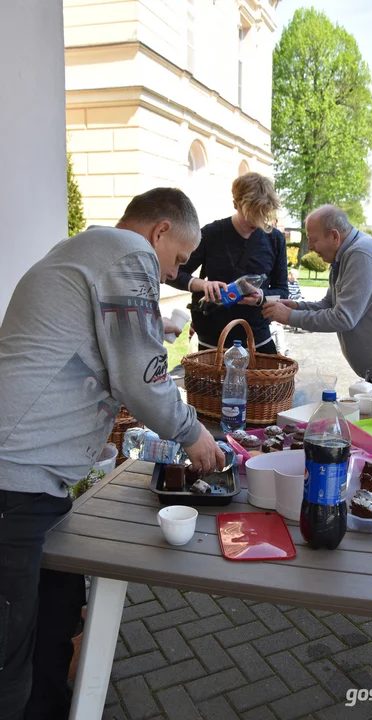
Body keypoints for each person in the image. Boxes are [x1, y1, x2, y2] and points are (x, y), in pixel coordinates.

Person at [0, 187, 224, 720]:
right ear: (159, 232)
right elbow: (141, 379)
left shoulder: (85, 248)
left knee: (55, 617)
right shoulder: (129, 254)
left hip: (34, 481)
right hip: (15, 480)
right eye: (177, 259)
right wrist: (196, 436)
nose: (172, 273)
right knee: (8, 653)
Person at [263, 205, 372, 400]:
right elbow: (330, 304)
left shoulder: (361, 254)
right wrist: (295, 307)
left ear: (334, 236)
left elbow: (343, 317)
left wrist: (289, 317)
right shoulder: (343, 257)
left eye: (313, 239)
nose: (310, 247)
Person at [167, 172, 288, 353]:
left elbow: (283, 292)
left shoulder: (275, 239)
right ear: (235, 204)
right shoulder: (211, 233)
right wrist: (203, 285)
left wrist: (260, 296)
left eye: (261, 214)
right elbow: (172, 274)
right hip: (213, 340)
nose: (256, 221)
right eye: (250, 214)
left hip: (257, 339)